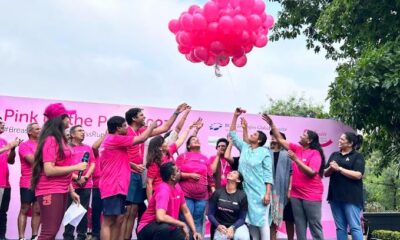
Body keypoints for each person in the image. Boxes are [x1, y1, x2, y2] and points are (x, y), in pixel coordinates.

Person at [121, 103, 189, 240]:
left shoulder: (143, 132)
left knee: (133, 211)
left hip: (138, 176)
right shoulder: (125, 132)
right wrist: (132, 164)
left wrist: (176, 112)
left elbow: (165, 128)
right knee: (126, 212)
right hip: (127, 173)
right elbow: (116, 154)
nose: (144, 117)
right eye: (141, 115)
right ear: (134, 118)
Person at [263, 113, 325, 240]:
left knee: (314, 225)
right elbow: (280, 139)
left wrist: (296, 159)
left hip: (311, 195)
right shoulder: (297, 148)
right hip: (297, 195)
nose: (300, 136)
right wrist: (272, 124)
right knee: (300, 225)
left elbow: (312, 172)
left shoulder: (315, 153)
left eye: (304, 135)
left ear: (309, 140)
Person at [31, 103, 88, 239]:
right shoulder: (51, 140)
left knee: (52, 232)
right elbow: (49, 170)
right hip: (50, 190)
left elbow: (62, 167)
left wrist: (71, 190)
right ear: (60, 119)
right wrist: (76, 167)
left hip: (61, 189)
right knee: (48, 232)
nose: (70, 119)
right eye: (67, 116)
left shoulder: (60, 139)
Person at [99, 116, 156, 240]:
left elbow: (118, 160)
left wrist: (133, 165)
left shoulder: (113, 141)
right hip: (112, 186)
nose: (127, 128)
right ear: (118, 128)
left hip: (118, 186)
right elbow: (142, 138)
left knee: (118, 218)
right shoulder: (115, 138)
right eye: (125, 126)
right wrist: (152, 126)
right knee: (108, 221)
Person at [229, 108, 273, 240]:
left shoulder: (264, 152)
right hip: (245, 192)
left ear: (259, 141)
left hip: (260, 193)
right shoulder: (244, 148)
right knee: (251, 223)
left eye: (254, 135)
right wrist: (235, 116)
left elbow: (268, 174)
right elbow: (232, 134)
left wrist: (267, 193)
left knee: (262, 223)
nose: (251, 135)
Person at [137, 162, 201, 240]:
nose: (180, 171)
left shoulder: (177, 187)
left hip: (168, 228)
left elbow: (186, 212)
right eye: (177, 171)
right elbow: (160, 217)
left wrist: (194, 231)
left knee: (190, 237)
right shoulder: (163, 190)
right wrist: (181, 224)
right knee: (164, 228)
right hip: (147, 229)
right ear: (172, 177)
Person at [176, 127, 216, 238]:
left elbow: (210, 177)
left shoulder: (205, 158)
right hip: (186, 195)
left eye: (197, 139)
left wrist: (213, 190)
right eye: (193, 140)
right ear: (188, 146)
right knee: (185, 220)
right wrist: (189, 175)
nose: (196, 140)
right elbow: (175, 174)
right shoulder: (182, 157)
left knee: (198, 221)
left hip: (202, 197)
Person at [324, 132, 365, 240]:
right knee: (340, 228)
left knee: (355, 227)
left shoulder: (357, 156)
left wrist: (339, 169)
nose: (339, 141)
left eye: (342, 139)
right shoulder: (334, 155)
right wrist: (331, 168)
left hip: (351, 198)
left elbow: (358, 175)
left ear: (350, 143)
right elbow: (325, 173)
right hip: (335, 197)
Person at [146, 120, 196, 201]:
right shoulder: (154, 163)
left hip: (172, 189)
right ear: (160, 147)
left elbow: (180, 141)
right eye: (164, 142)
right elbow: (149, 183)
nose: (167, 143)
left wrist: (188, 128)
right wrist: (150, 202)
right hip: (160, 192)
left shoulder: (169, 151)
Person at [63, 125, 96, 240]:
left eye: (83, 130)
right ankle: (68, 236)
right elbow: (63, 167)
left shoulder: (88, 148)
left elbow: (92, 163)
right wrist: (76, 177)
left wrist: (86, 177)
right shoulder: (65, 148)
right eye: (79, 131)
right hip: (69, 184)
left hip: (86, 184)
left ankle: (81, 236)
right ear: (72, 134)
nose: (83, 132)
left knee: (83, 211)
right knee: (69, 211)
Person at [208, 170, 249, 240]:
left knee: (243, 237)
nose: (230, 173)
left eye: (234, 173)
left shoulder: (242, 196)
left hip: (236, 226)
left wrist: (233, 227)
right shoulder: (218, 193)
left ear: (238, 180)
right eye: (230, 172)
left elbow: (242, 218)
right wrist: (218, 225)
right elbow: (210, 214)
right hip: (221, 226)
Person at [268, 131, 294, 240]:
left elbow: (292, 172)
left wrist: (289, 189)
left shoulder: (288, 153)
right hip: (270, 192)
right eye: (272, 136)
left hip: (285, 192)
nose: (273, 138)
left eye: (276, 137)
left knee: (289, 219)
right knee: (272, 219)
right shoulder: (266, 152)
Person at [18, 122, 41, 240]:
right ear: (30, 132)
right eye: (37, 129)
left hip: (41, 183)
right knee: (25, 209)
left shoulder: (43, 145)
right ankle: (21, 238)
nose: (40, 130)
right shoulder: (24, 145)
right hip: (27, 181)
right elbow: (32, 160)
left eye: (40, 128)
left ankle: (34, 236)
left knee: (37, 210)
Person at [0, 117, 22, 240]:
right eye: (0, 123)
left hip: (5, 184)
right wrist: (8, 146)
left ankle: (2, 236)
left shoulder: (3, 140)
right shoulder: (5, 144)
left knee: (3, 213)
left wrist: (13, 149)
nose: (2, 124)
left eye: (3, 122)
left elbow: (11, 161)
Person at [91, 132, 107, 240]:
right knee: (96, 213)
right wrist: (106, 134)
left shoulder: (113, 154)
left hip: (110, 188)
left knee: (109, 214)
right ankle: (95, 235)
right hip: (97, 187)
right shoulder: (97, 154)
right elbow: (94, 147)